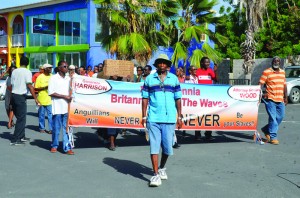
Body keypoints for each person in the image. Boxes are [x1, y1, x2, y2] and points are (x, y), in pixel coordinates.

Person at [141, 54, 182, 187]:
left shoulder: (174, 79)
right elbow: (145, 99)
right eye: (160, 63)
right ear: (157, 65)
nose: (162, 65)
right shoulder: (149, 80)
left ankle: (161, 167)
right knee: (154, 146)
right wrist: (143, 116)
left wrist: (180, 116)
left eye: (165, 63)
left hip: (170, 118)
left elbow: (178, 98)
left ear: (168, 65)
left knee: (167, 148)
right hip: (153, 118)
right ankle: (155, 175)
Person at [10, 56, 39, 146]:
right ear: (27, 63)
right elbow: (30, 85)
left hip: (14, 95)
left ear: (20, 63)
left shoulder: (14, 71)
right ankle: (16, 139)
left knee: (21, 117)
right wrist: (35, 98)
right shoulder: (27, 72)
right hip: (20, 96)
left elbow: (11, 84)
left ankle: (22, 136)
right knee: (21, 118)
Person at [259, 56, 288, 145]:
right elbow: (260, 84)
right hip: (270, 99)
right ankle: (273, 137)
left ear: (280, 63)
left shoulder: (283, 72)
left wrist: (286, 97)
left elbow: (284, 85)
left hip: (280, 99)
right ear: (272, 62)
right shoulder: (267, 72)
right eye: (275, 61)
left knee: (280, 117)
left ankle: (266, 129)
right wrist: (260, 94)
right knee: (273, 118)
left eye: (278, 61)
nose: (276, 62)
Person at [48, 61, 74, 155]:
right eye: (65, 66)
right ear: (59, 68)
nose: (67, 68)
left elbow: (73, 90)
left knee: (67, 128)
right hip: (57, 107)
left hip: (67, 107)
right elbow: (51, 92)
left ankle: (67, 147)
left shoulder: (68, 78)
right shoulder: (53, 78)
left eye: (67, 66)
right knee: (56, 128)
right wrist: (64, 97)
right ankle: (54, 145)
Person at [195, 57, 217, 141]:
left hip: (209, 97)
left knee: (209, 115)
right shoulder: (197, 71)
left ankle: (208, 134)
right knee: (198, 116)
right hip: (199, 97)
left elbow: (216, 79)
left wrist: (215, 71)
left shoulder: (210, 70)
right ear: (201, 63)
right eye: (206, 62)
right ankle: (197, 134)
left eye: (208, 62)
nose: (208, 64)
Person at [35, 63, 53, 134]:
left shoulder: (52, 76)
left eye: (51, 68)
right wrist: (45, 87)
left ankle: (51, 129)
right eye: (49, 68)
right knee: (41, 115)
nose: (51, 69)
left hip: (50, 99)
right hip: (41, 99)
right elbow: (36, 88)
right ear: (45, 69)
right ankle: (42, 128)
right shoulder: (40, 77)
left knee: (50, 115)